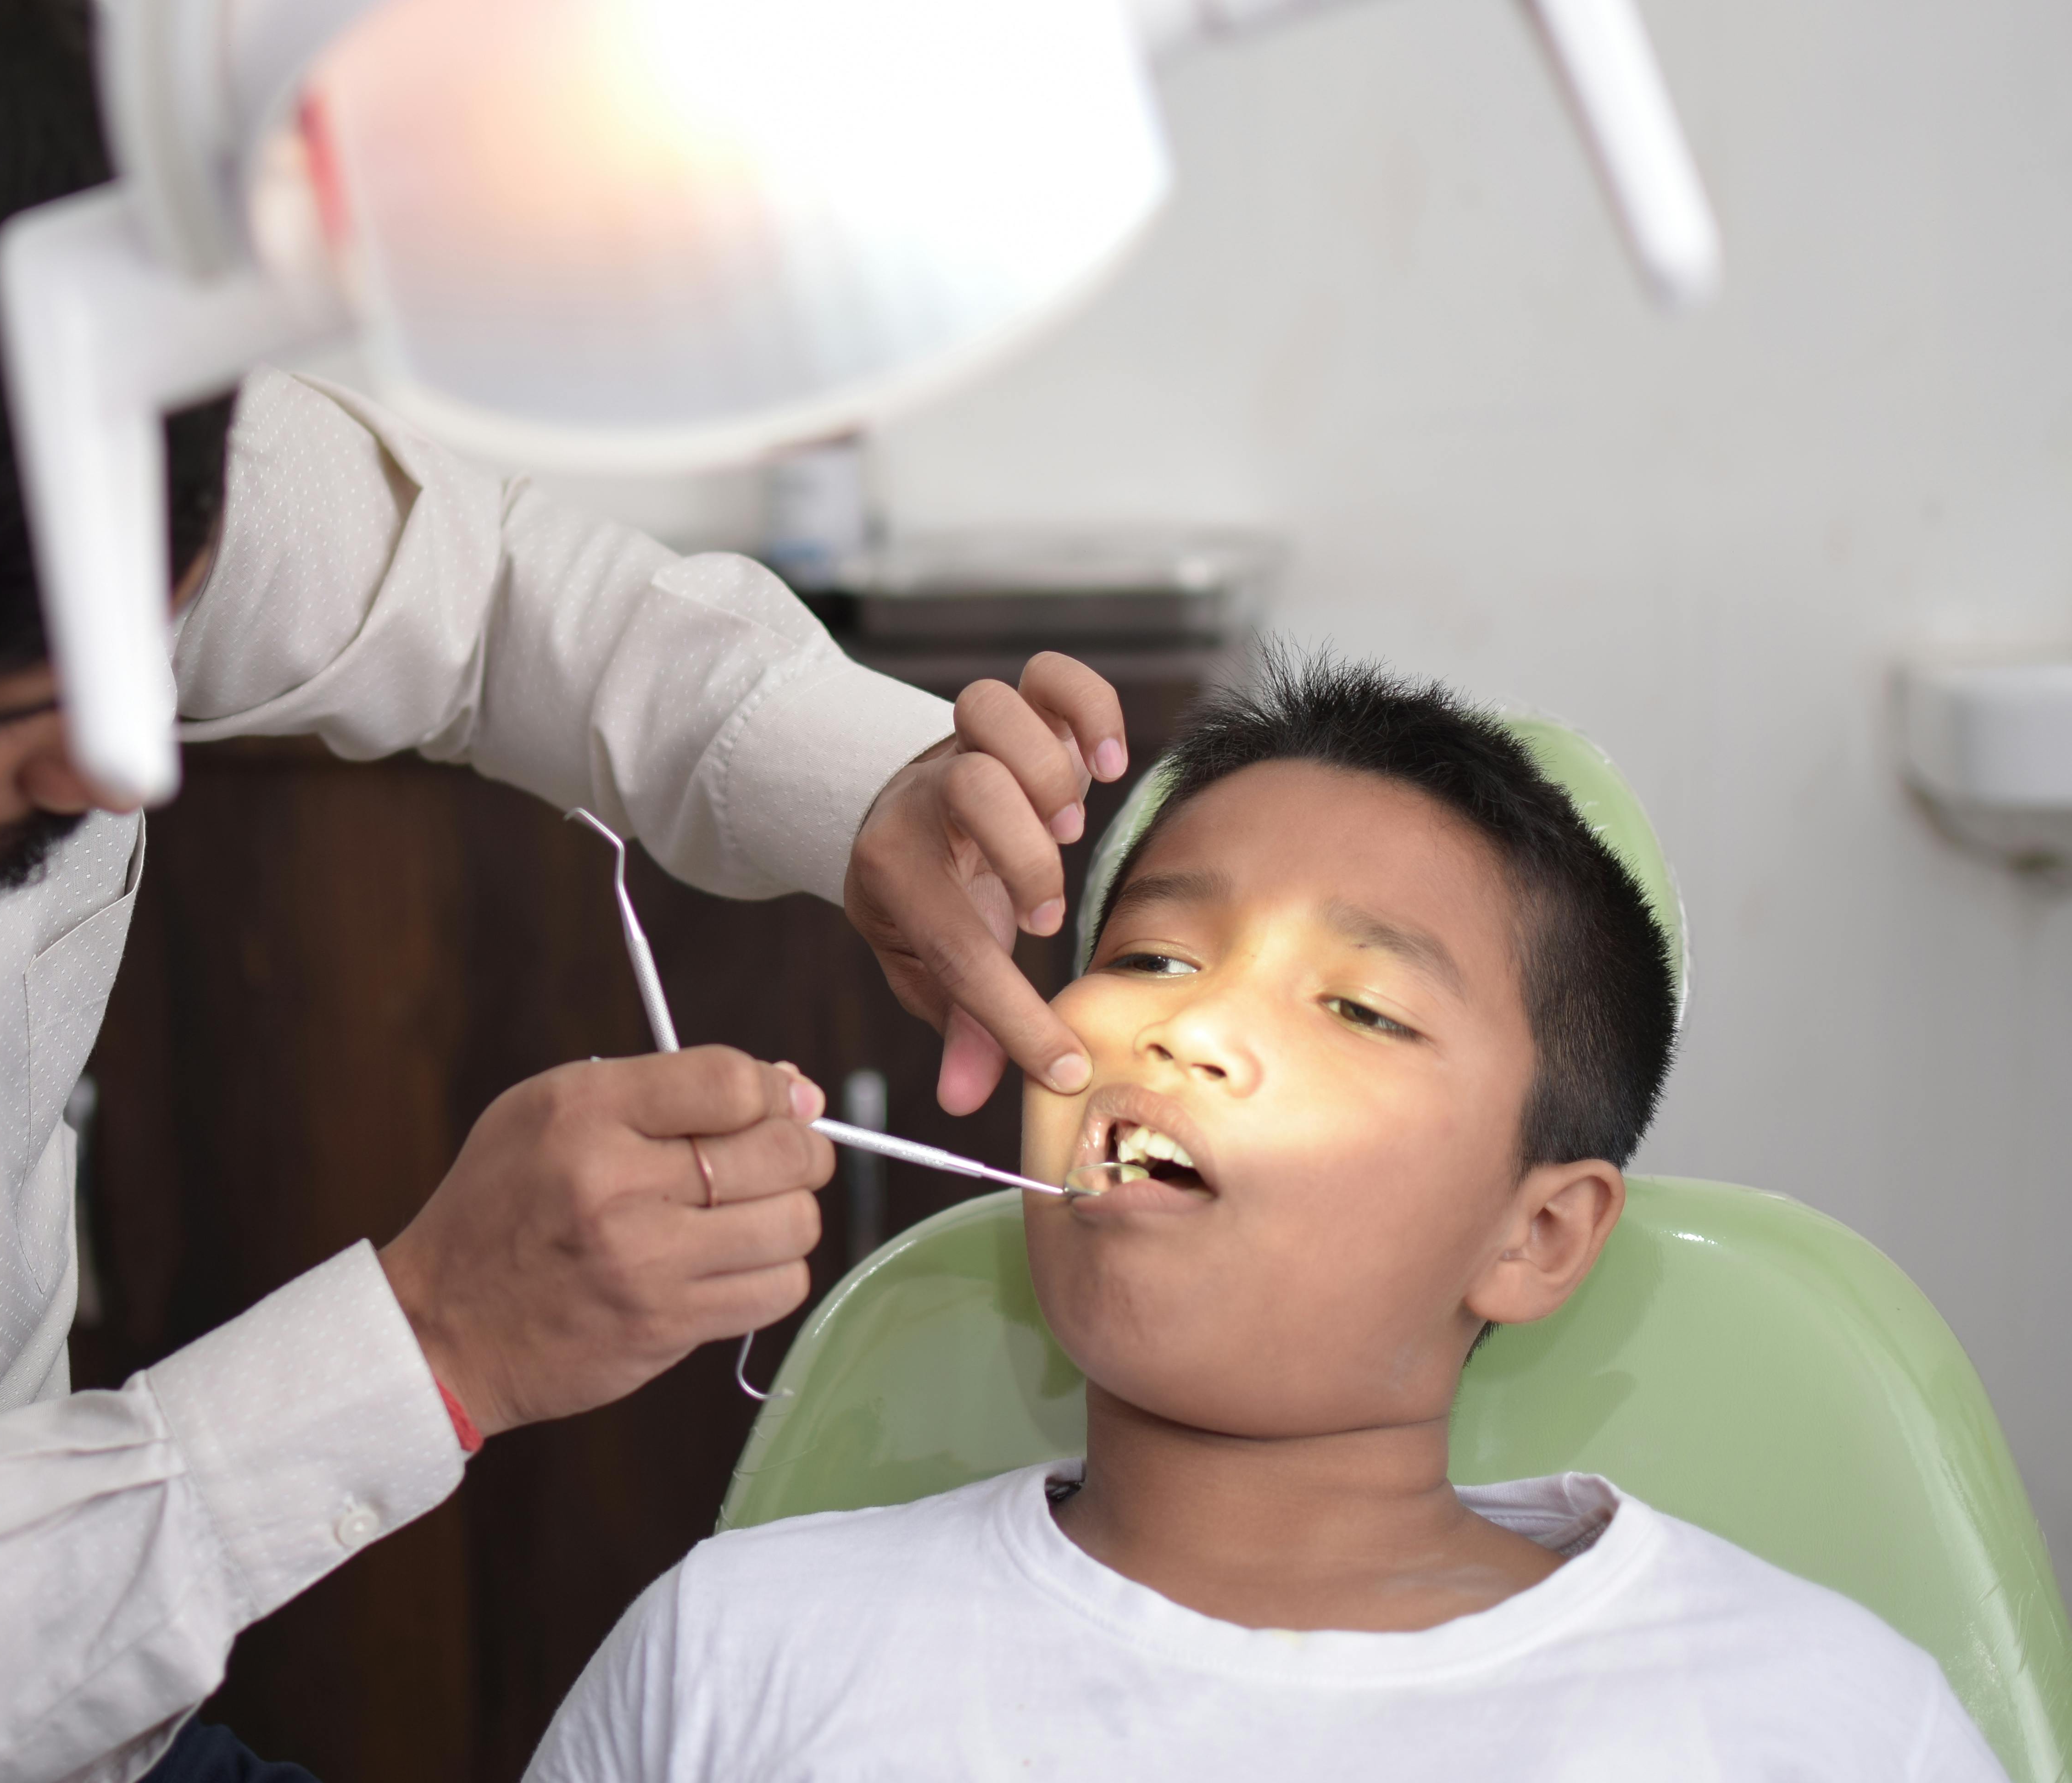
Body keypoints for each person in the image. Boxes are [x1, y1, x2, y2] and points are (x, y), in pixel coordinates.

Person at [0, 0, 1133, 1778]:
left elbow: (497, 596)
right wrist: (433, 1339)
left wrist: (867, 787)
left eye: (149, 649)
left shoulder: (60, 407)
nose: (118, 765)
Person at [526, 657, 2008, 1782]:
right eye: (1157, 956)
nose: (1194, 1036)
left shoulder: (1823, 1723)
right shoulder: (735, 1657)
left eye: (1359, 1006)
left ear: (1539, 1236)